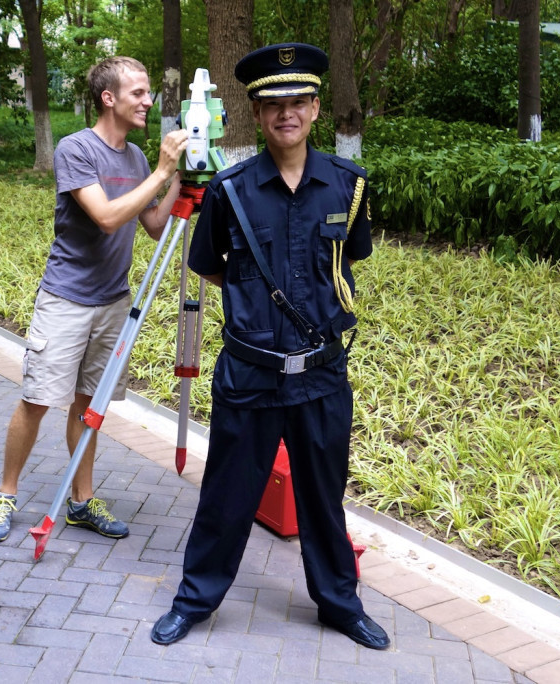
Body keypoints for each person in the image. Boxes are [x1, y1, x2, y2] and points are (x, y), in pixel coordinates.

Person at [150, 43, 390, 651]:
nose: (287, 112)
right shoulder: (229, 191)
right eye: (272, 103)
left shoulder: (348, 185)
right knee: (226, 497)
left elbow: (350, 257)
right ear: (256, 115)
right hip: (250, 374)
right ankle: (194, 600)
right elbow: (209, 265)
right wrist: (258, 314)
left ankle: (339, 604)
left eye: (298, 101)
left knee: (323, 499)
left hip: (322, 376)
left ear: (315, 109)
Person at [0, 56, 189, 543]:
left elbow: (154, 225)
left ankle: (81, 502)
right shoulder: (77, 149)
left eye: (148, 91)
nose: (148, 100)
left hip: (113, 301)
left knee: (88, 406)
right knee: (37, 401)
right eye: (138, 92)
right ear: (109, 98)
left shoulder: (137, 158)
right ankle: (6, 495)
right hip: (66, 300)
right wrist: (161, 173)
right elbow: (107, 218)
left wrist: (181, 174)